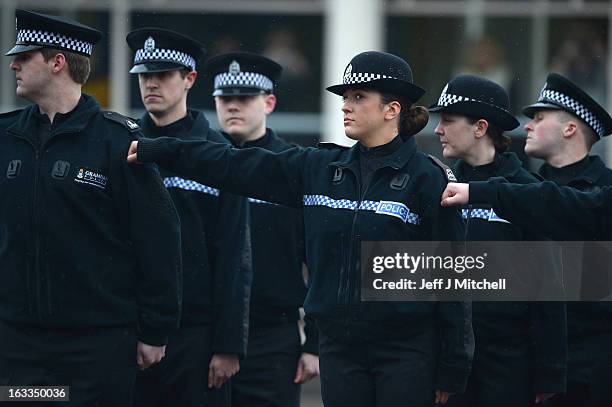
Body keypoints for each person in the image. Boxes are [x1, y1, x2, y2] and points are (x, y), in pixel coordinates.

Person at [128, 50, 474, 407]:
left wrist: (452, 366)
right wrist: (164, 150)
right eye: (345, 97)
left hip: (406, 353)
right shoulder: (320, 168)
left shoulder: (427, 180)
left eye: (358, 97)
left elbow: (452, 281)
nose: (345, 106)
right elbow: (232, 164)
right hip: (341, 352)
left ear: (392, 109)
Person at [0, 10, 181, 406]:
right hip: (21, 346)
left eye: (24, 56)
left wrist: (155, 330)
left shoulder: (117, 142)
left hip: (96, 346)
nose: (13, 63)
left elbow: (159, 238)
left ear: (57, 62)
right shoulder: (6, 138)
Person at [441, 73, 612, 407]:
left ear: (570, 129)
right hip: (522, 354)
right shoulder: (526, 188)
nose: (527, 126)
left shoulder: (596, 195)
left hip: (590, 359)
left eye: (539, 117)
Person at [126, 28, 251, 407]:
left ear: (189, 79)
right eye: (145, 76)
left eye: (162, 75)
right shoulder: (122, 145)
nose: (150, 84)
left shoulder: (218, 153)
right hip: (132, 328)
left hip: (196, 333)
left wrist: (229, 345)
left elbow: (234, 254)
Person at [430, 74, 566, 406]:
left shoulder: (526, 191)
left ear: (480, 127)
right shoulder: (434, 186)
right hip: (448, 362)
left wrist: (548, 371)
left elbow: (548, 286)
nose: (437, 129)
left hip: (509, 361)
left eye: (448, 120)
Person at [204, 51, 319, 407]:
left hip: (272, 336)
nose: (233, 106)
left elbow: (319, 260)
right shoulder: (201, 162)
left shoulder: (294, 169)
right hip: (206, 333)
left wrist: (314, 343)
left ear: (269, 102)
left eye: (244, 98)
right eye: (225, 99)